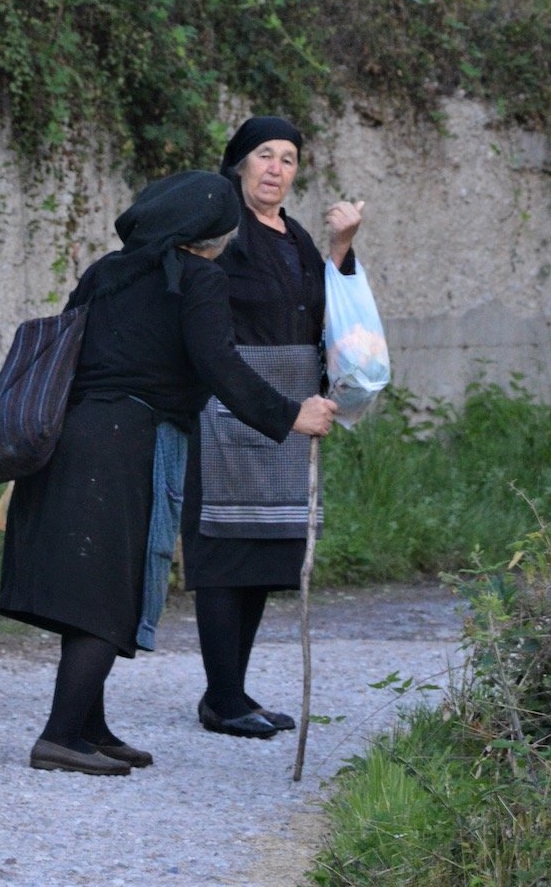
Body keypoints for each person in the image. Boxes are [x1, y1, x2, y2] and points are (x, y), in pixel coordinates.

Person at [0, 170, 338, 776]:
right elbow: (218, 365)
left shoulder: (108, 270)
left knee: (92, 581)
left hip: (74, 436)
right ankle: (57, 737)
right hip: (128, 442)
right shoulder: (198, 278)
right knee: (108, 588)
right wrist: (291, 415)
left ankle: (88, 727)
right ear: (207, 230)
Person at [180, 117, 363, 739]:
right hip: (230, 402)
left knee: (261, 548)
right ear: (238, 163)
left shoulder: (294, 235)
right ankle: (224, 700)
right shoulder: (219, 231)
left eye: (288, 158)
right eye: (264, 155)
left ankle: (227, 691)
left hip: (289, 406)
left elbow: (322, 309)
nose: (276, 169)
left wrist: (340, 250)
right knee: (224, 548)